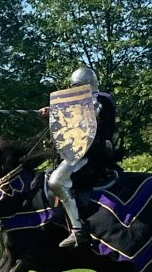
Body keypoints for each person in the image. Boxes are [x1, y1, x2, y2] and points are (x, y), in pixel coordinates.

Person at [42, 66, 118, 248]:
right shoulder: (76, 103)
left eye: (77, 85)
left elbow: (91, 114)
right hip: (78, 152)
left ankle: (78, 231)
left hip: (94, 153)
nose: (73, 88)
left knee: (56, 181)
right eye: (72, 85)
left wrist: (57, 110)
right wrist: (51, 115)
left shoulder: (101, 99)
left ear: (88, 85)